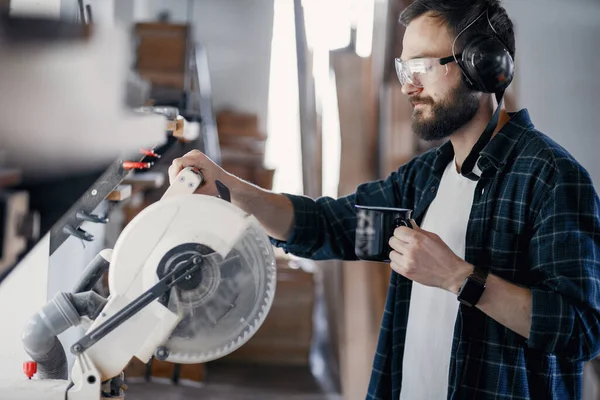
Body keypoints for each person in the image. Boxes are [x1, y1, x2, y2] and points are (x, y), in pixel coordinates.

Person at [168, 0, 600, 398]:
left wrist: (459, 278)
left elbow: (581, 330)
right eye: (403, 67)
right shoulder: (426, 176)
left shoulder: (551, 178)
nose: (409, 85)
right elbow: (328, 225)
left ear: (483, 68)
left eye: (424, 66)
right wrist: (228, 187)